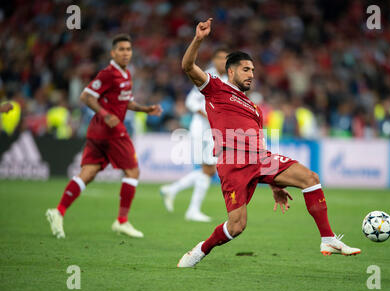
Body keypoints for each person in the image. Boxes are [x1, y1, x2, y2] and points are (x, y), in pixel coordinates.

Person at [177, 19, 361, 268]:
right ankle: (200, 250)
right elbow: (187, 66)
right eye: (245, 70)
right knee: (237, 226)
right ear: (231, 71)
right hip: (232, 163)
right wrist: (198, 39)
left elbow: (259, 144)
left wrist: (275, 184)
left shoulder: (255, 107)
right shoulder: (216, 88)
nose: (251, 75)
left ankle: (328, 238)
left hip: (260, 160)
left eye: (252, 71)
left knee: (310, 179)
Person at [45, 34, 162, 239]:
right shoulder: (108, 74)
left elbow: (125, 102)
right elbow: (86, 96)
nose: (126, 53)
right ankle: (122, 221)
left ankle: (59, 211)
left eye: (128, 49)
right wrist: (106, 114)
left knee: (88, 172)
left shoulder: (125, 74)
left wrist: (145, 109)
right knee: (133, 172)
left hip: (97, 132)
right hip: (111, 132)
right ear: (113, 53)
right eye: (121, 49)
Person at [160, 47, 229, 222]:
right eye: (220, 58)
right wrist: (209, 115)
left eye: (226, 58)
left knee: (208, 170)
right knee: (209, 169)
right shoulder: (205, 77)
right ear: (213, 60)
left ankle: (174, 191)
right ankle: (191, 208)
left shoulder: (228, 78)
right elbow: (191, 102)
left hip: (213, 131)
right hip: (201, 129)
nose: (223, 61)